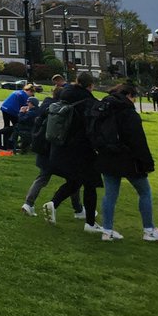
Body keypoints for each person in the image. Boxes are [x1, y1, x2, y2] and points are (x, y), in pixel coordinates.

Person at [97, 83, 158, 242]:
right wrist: (147, 162)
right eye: (135, 97)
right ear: (129, 95)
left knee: (110, 196)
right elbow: (138, 141)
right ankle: (149, 230)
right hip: (128, 158)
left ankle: (107, 230)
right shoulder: (128, 113)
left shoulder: (104, 108)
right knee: (144, 191)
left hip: (107, 155)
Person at [41, 71, 102, 233]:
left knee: (75, 181)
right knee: (90, 184)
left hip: (60, 147)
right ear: (90, 85)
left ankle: (53, 204)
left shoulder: (65, 94)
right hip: (81, 149)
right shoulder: (88, 102)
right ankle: (90, 223)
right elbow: (92, 128)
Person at [21, 84, 82, 217]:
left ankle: (28, 203)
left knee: (42, 178)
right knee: (73, 180)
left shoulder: (46, 106)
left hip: (43, 148)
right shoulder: (64, 110)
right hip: (57, 151)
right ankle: (78, 209)